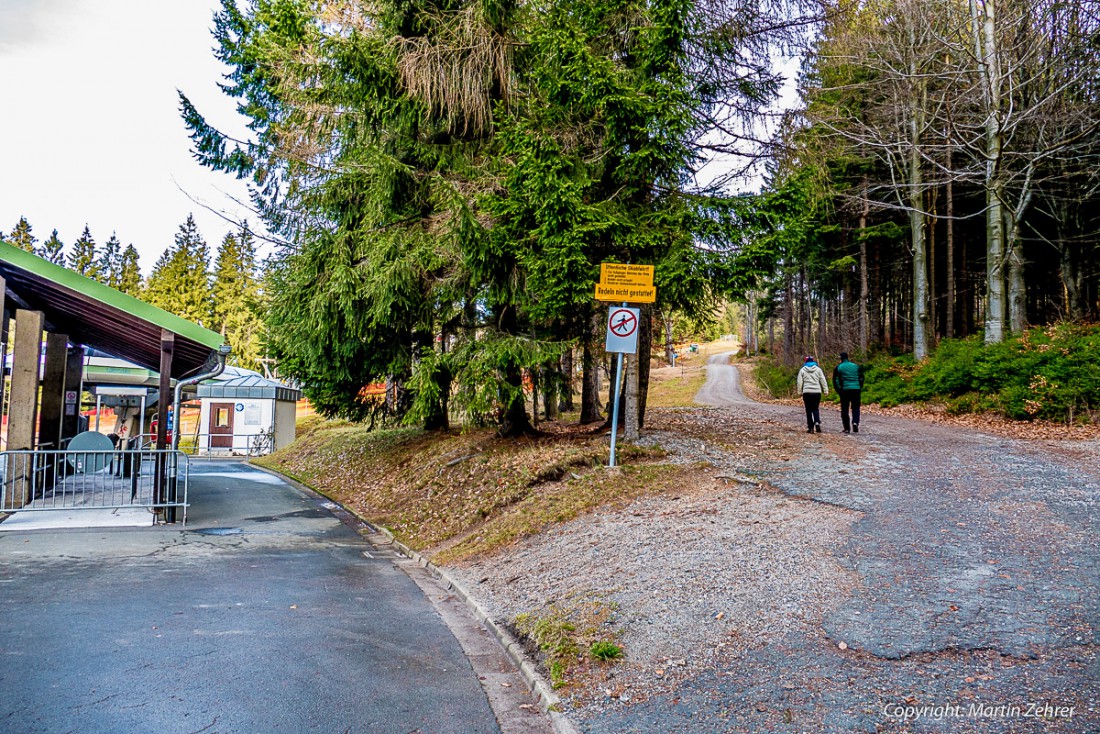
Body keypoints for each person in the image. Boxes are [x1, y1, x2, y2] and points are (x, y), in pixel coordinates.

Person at [832, 351, 864, 434]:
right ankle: (855, 422)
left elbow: (836, 380)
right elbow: (861, 377)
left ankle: (847, 428)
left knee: (845, 409)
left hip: (845, 390)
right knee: (856, 407)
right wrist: (859, 387)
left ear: (841, 358)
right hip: (856, 389)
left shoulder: (839, 367)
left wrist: (839, 390)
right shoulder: (855, 366)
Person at [796, 356, 829, 433]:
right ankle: (817, 422)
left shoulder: (802, 370)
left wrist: (799, 391)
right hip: (817, 392)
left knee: (808, 410)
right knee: (815, 408)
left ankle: (810, 427)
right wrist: (825, 390)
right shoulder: (818, 370)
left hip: (807, 392)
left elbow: (799, 382)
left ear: (806, 362)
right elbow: (823, 380)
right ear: (813, 361)